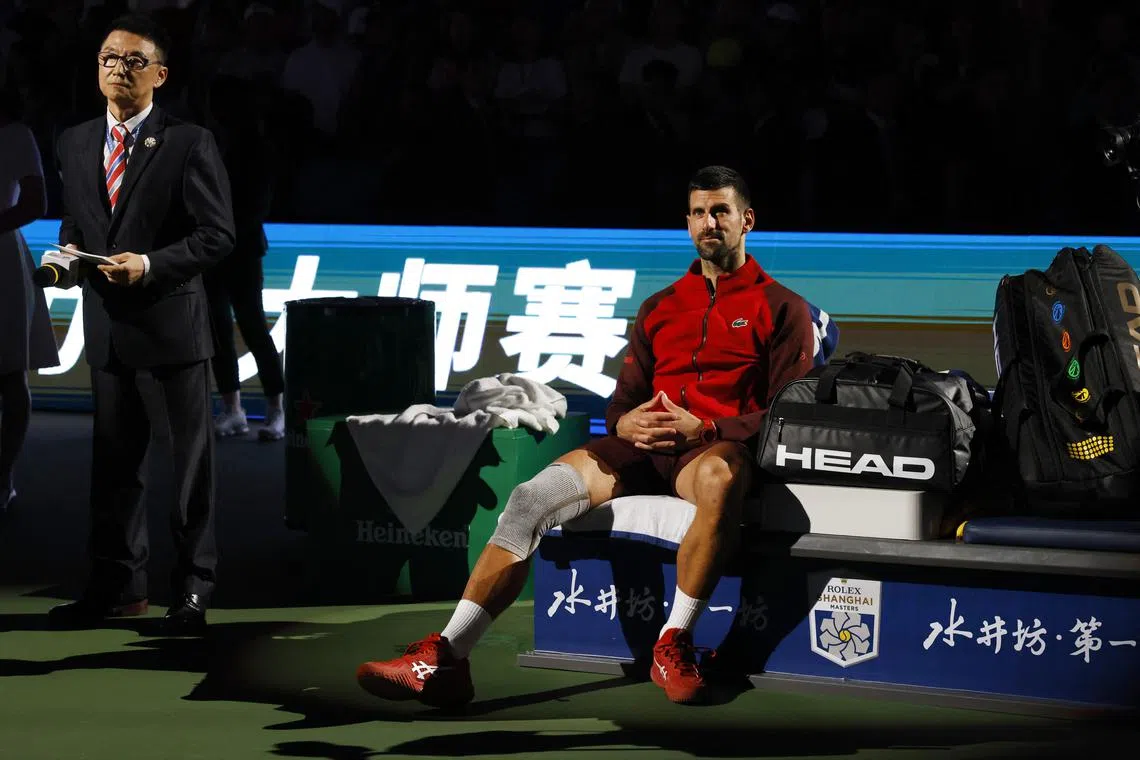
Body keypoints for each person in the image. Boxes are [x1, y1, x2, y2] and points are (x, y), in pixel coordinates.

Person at [356, 165, 830, 706]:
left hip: (711, 451)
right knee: (531, 497)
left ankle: (674, 642)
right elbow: (624, 399)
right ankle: (448, 655)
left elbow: (789, 412)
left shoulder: (783, 307)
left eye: (720, 211)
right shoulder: (660, 307)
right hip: (641, 448)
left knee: (722, 476)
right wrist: (624, 423)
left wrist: (710, 427)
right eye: (698, 212)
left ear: (747, 220)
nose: (709, 223)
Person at [46, 13, 235, 635]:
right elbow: (78, 223)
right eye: (106, 57)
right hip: (107, 328)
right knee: (114, 469)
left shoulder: (187, 140)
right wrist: (67, 258)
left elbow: (217, 235)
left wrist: (152, 263)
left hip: (174, 330)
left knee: (188, 473)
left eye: (130, 60)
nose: (115, 68)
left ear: (159, 74)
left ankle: (191, 593)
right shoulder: (74, 141)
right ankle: (118, 587)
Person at [202, 74, 285, 441]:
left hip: (243, 249)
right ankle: (233, 410)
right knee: (219, 329)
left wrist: (226, 232)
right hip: (210, 251)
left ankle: (276, 411)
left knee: (252, 325)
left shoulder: (258, 148)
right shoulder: (209, 144)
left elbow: (257, 205)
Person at [0, 85, 60, 513]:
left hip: (2, 258)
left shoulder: (16, 134)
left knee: (9, 373)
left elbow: (36, 202)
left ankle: (3, 474)